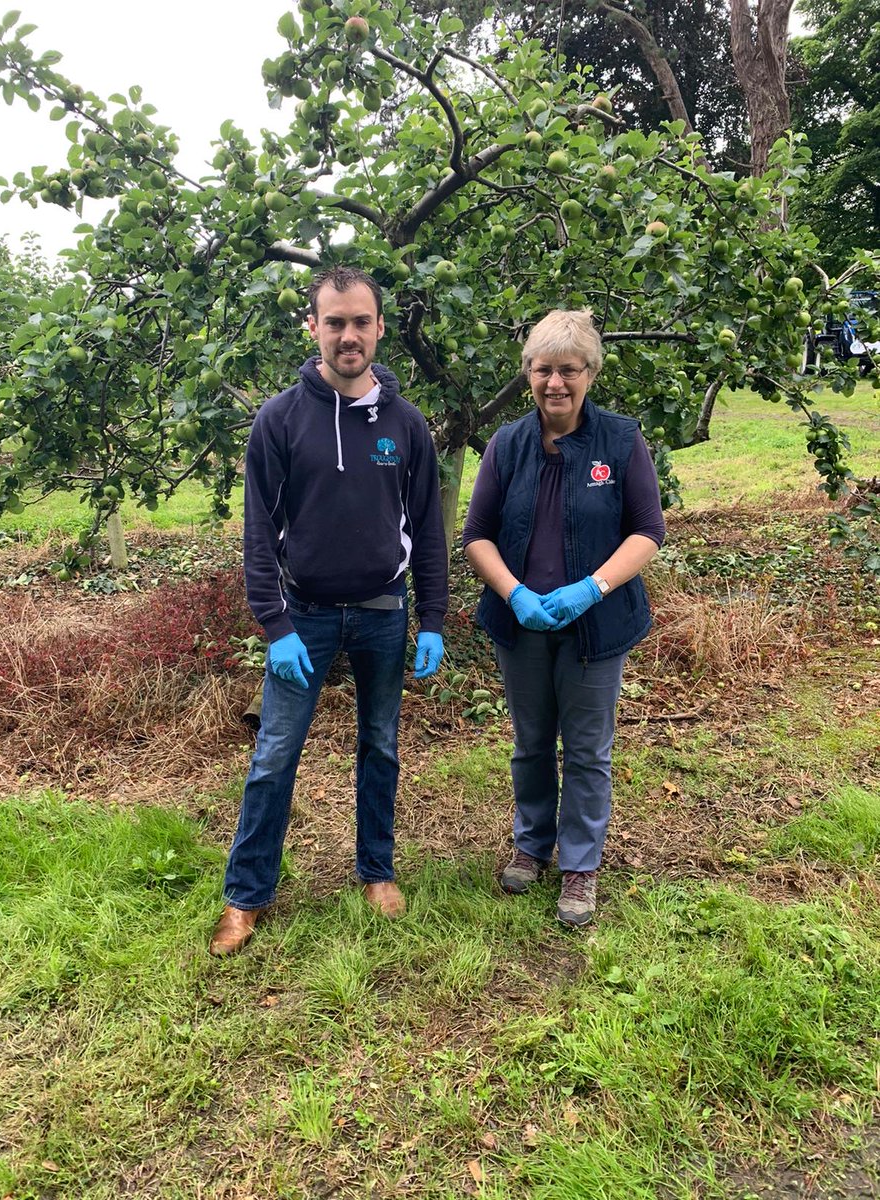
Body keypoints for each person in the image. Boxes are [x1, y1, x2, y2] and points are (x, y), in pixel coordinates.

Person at [209, 266, 448, 956]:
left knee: (380, 746)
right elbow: (259, 532)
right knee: (274, 754)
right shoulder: (279, 420)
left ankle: (375, 871)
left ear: (379, 328)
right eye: (335, 321)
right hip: (304, 617)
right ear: (312, 326)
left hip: (381, 612)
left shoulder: (406, 426)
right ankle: (246, 896)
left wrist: (431, 617)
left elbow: (429, 528)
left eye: (361, 322)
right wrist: (273, 623)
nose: (349, 335)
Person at [462, 309, 665, 928]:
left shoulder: (621, 441)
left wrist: (592, 588)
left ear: (590, 374)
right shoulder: (507, 445)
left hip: (594, 625)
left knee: (585, 749)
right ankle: (532, 842)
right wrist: (515, 593)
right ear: (528, 373)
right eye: (543, 369)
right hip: (520, 623)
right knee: (530, 742)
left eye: (568, 370)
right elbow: (477, 537)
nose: (556, 382)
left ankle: (580, 864)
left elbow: (647, 531)